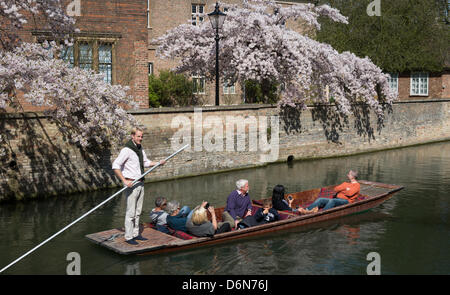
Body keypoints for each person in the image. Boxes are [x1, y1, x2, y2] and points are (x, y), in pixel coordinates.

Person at [112, 127, 166, 245]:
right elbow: (115, 165)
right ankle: (129, 236)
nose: (140, 138)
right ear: (132, 136)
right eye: (138, 136)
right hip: (131, 184)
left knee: (138, 212)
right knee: (130, 212)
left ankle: (136, 234)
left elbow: (146, 162)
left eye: (142, 136)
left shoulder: (140, 149)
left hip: (140, 183)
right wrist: (124, 181)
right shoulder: (127, 150)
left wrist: (158, 163)